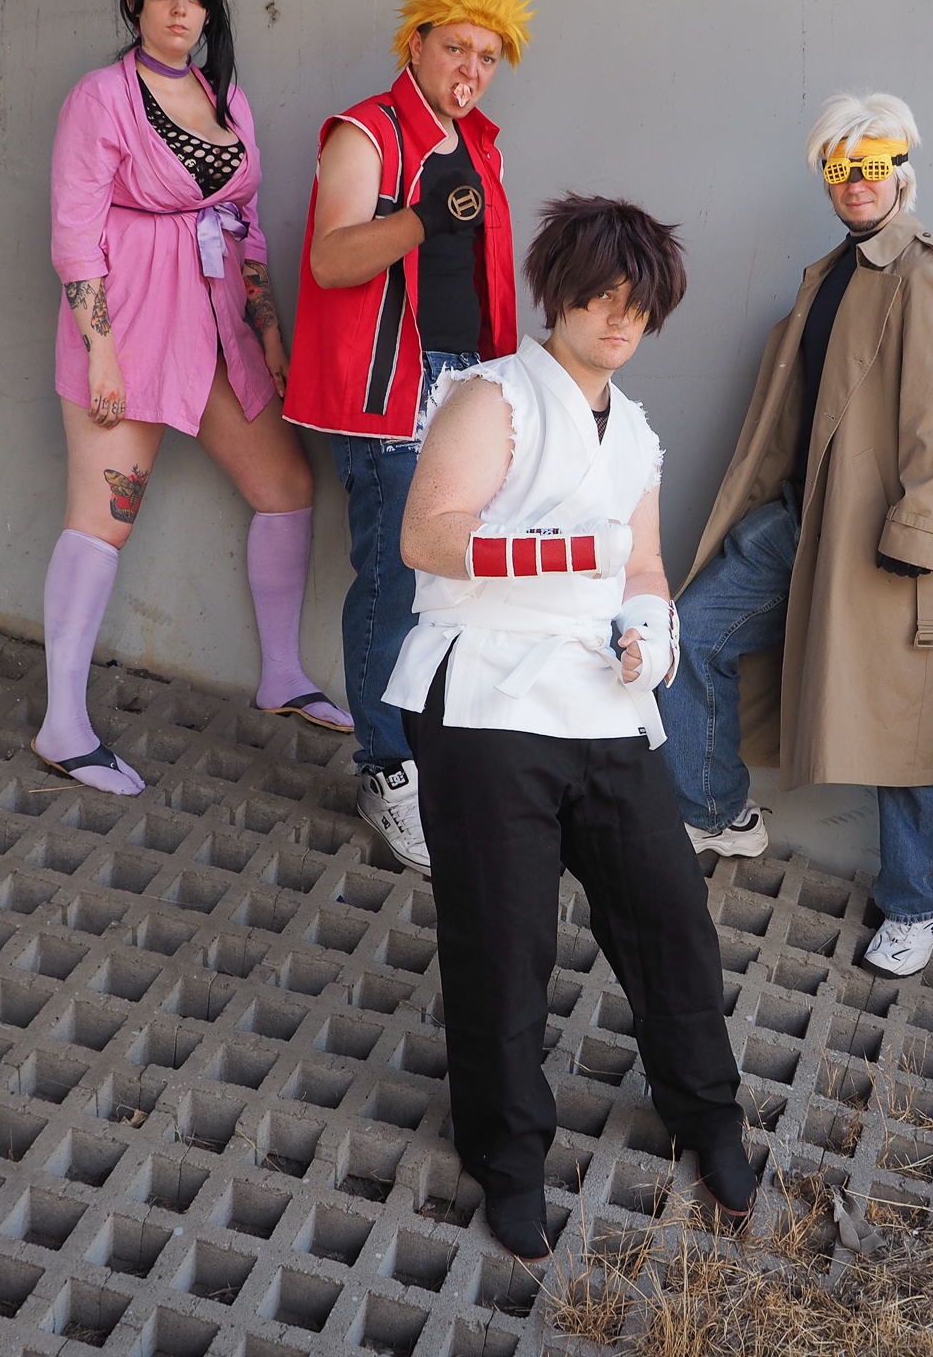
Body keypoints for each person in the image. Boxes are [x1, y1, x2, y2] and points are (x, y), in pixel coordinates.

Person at [386, 197, 752, 1262]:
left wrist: (653, 630)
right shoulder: (491, 396)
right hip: (488, 694)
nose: (618, 319)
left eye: (638, 303)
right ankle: (507, 1157)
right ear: (559, 294)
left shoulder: (633, 429)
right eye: (600, 297)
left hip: (603, 698)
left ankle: (707, 1114)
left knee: (669, 915)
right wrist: (557, 553)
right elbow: (427, 535)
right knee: (504, 939)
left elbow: (642, 562)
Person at [658, 93, 933, 979]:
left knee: (901, 717)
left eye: (872, 165)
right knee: (688, 633)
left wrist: (917, 536)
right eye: (840, 168)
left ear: (902, 171)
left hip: (883, 535)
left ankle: (919, 900)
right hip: (804, 519)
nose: (856, 182)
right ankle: (718, 810)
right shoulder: (836, 269)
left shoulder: (930, 273)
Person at [38, 0, 349, 797]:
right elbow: (74, 238)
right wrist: (101, 354)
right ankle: (62, 726)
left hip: (217, 327)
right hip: (131, 332)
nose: (181, 9)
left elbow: (247, 227)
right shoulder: (101, 98)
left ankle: (282, 675)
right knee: (103, 517)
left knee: (287, 485)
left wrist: (271, 338)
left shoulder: (226, 97)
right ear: (133, 3)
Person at [282, 0, 529, 874]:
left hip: (465, 388)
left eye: (487, 56)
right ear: (416, 44)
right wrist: (423, 218)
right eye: (456, 47)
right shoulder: (367, 131)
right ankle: (384, 768)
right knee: (393, 583)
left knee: (453, 585)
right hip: (391, 398)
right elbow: (330, 259)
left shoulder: (480, 145)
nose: (470, 68)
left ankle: (431, 757)